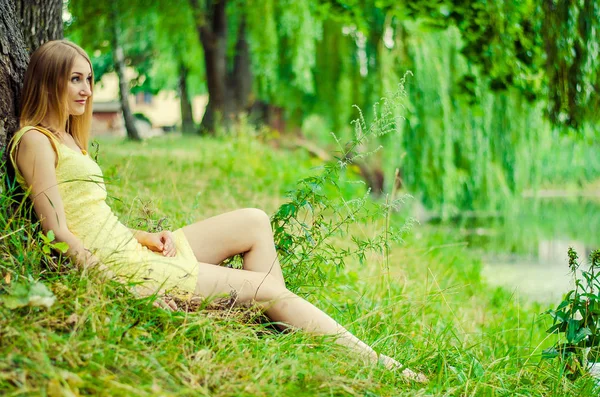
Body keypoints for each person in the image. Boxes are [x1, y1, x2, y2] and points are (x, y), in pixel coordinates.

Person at [9, 39, 426, 383]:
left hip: (133, 251)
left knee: (255, 221)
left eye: (89, 79)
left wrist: (143, 236)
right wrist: (121, 287)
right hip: (128, 270)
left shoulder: (67, 137)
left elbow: (91, 215)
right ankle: (382, 366)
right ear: (49, 82)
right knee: (271, 289)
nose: (85, 89)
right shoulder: (35, 141)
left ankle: (257, 311)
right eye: (74, 80)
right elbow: (60, 232)